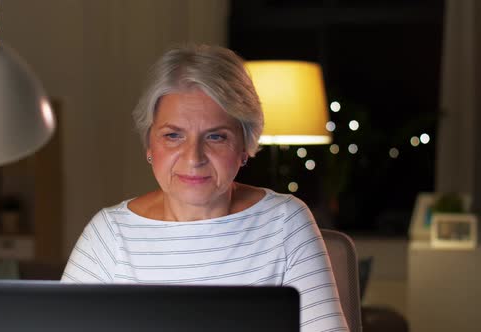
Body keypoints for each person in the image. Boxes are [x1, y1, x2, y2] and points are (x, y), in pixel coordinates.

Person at [62, 44, 349, 331]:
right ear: (150, 144)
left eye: (215, 137)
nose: (193, 157)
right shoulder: (108, 233)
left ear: (245, 146)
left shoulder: (285, 221)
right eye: (173, 135)